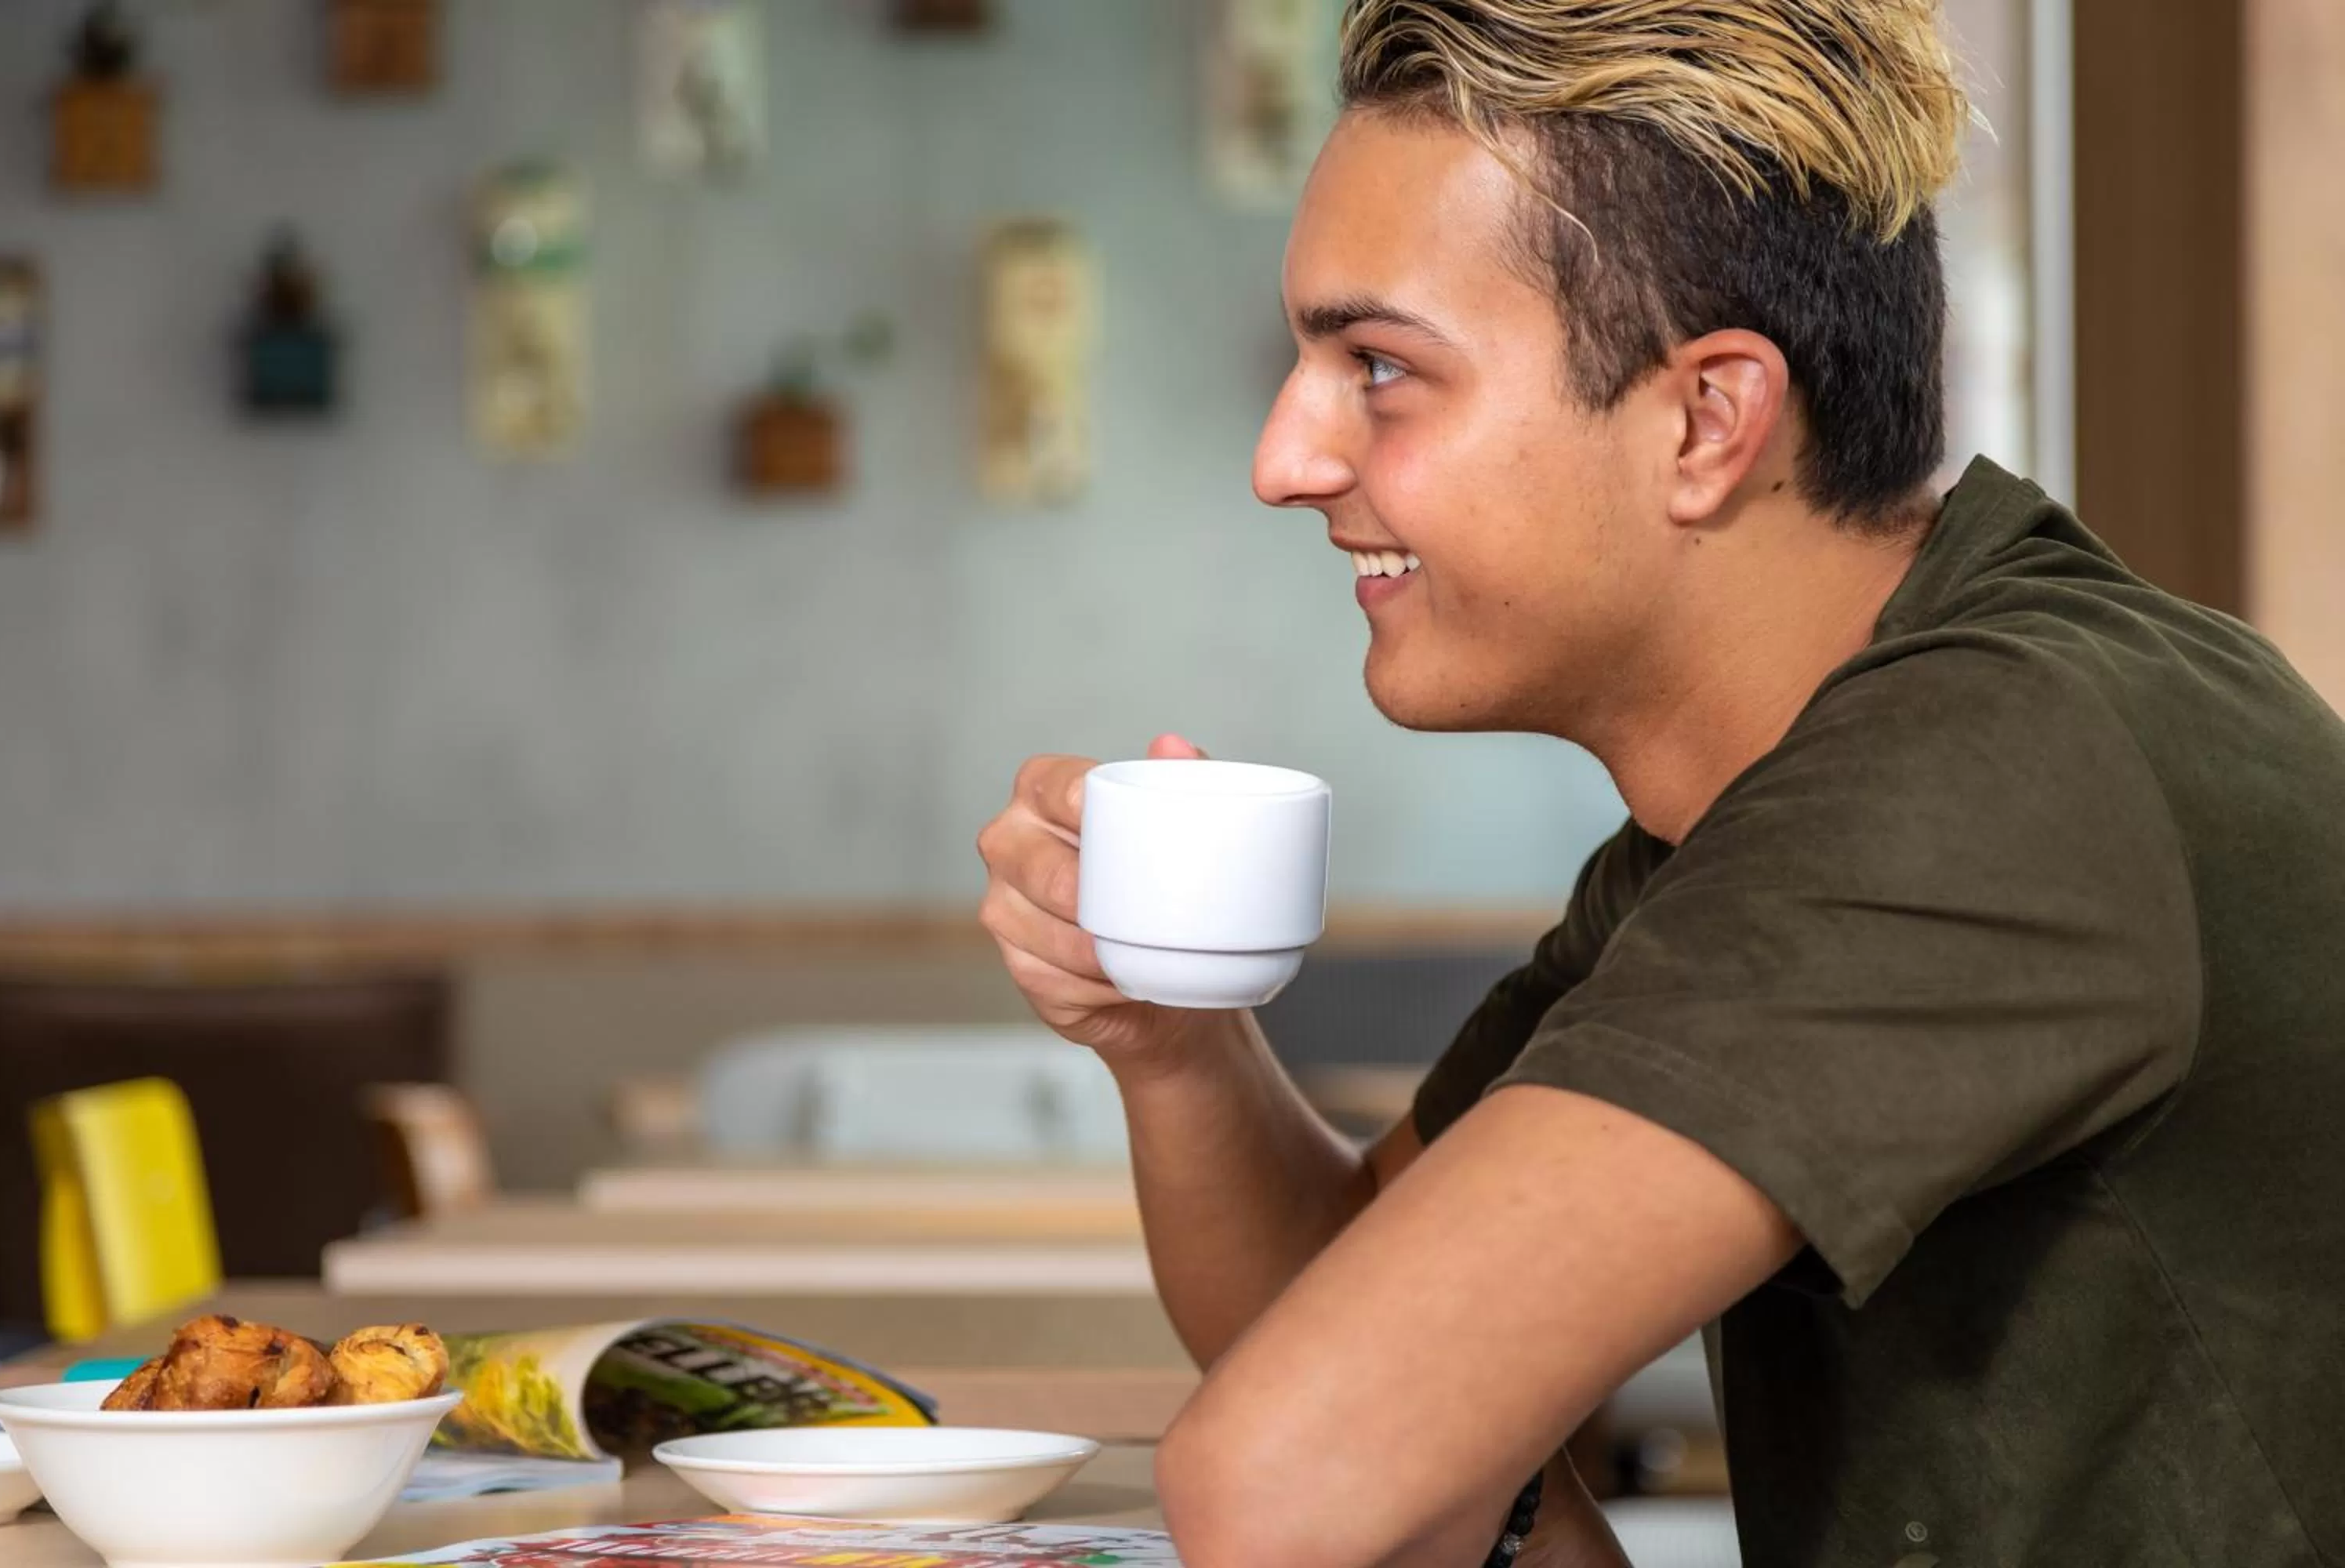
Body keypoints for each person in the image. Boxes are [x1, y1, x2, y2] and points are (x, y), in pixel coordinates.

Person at [975, 2, 2345, 1563]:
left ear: (1707, 421)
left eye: (1380, 367)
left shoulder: (1991, 771)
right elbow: (1357, 1320)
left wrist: (1430, 1462)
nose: (1283, 460)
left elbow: (1286, 1477)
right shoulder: (1759, 806)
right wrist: (1177, 1051)